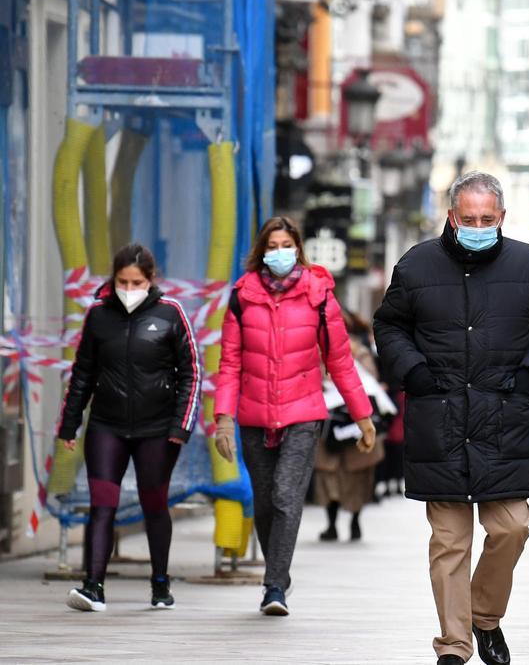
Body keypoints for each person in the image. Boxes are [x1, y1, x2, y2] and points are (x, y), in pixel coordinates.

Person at [373, 171, 529, 665]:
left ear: (501, 217)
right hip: (439, 418)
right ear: (452, 216)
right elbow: (390, 324)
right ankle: (454, 646)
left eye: (487, 218)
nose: (477, 225)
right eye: (468, 218)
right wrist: (412, 371)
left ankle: (484, 617)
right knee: (449, 542)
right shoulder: (417, 264)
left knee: (512, 528)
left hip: (504, 415)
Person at [212, 216, 376, 617]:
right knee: (266, 503)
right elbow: (230, 363)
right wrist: (222, 419)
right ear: (262, 251)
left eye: (287, 244)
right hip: (253, 415)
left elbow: (339, 360)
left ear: (297, 249)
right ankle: (278, 574)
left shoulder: (318, 295)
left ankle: (273, 587)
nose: (279, 252)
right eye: (272, 245)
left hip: (303, 414)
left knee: (286, 495)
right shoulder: (241, 296)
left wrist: (364, 417)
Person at [57, 243, 201, 613]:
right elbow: (82, 374)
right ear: (113, 279)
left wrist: (181, 426)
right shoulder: (98, 316)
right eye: (122, 281)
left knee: (155, 505)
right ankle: (93, 586)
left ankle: (160, 583)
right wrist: (69, 424)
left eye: (136, 282)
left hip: (158, 429)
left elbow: (191, 373)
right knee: (102, 505)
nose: (128, 288)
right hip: (106, 426)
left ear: (151, 280)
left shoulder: (172, 314)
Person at [315, 311, 385, 542]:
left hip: (357, 423)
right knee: (329, 479)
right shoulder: (315, 352)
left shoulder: (360, 353)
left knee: (357, 479)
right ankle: (332, 523)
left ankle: (355, 521)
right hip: (328, 425)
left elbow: (371, 382)